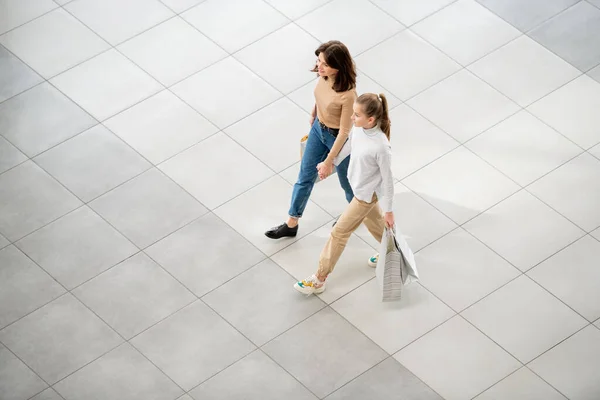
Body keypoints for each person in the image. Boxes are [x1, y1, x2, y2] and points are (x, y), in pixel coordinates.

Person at [294, 93, 394, 294]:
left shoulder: (381, 147)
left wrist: (390, 210)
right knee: (376, 223)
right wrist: (329, 163)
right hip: (359, 188)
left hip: (364, 197)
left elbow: (389, 181)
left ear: (371, 119)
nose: (351, 118)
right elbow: (347, 148)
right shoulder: (359, 130)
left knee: (339, 232)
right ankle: (391, 253)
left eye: (356, 115)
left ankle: (319, 279)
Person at [265, 40, 357, 239]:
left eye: (324, 64)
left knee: (348, 184)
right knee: (304, 177)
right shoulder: (323, 76)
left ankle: (354, 216)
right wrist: (314, 113)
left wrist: (328, 161)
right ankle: (291, 223)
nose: (319, 66)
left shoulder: (348, 95)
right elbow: (318, 95)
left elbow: (344, 132)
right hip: (318, 129)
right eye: (318, 61)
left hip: (337, 140)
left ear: (338, 67)